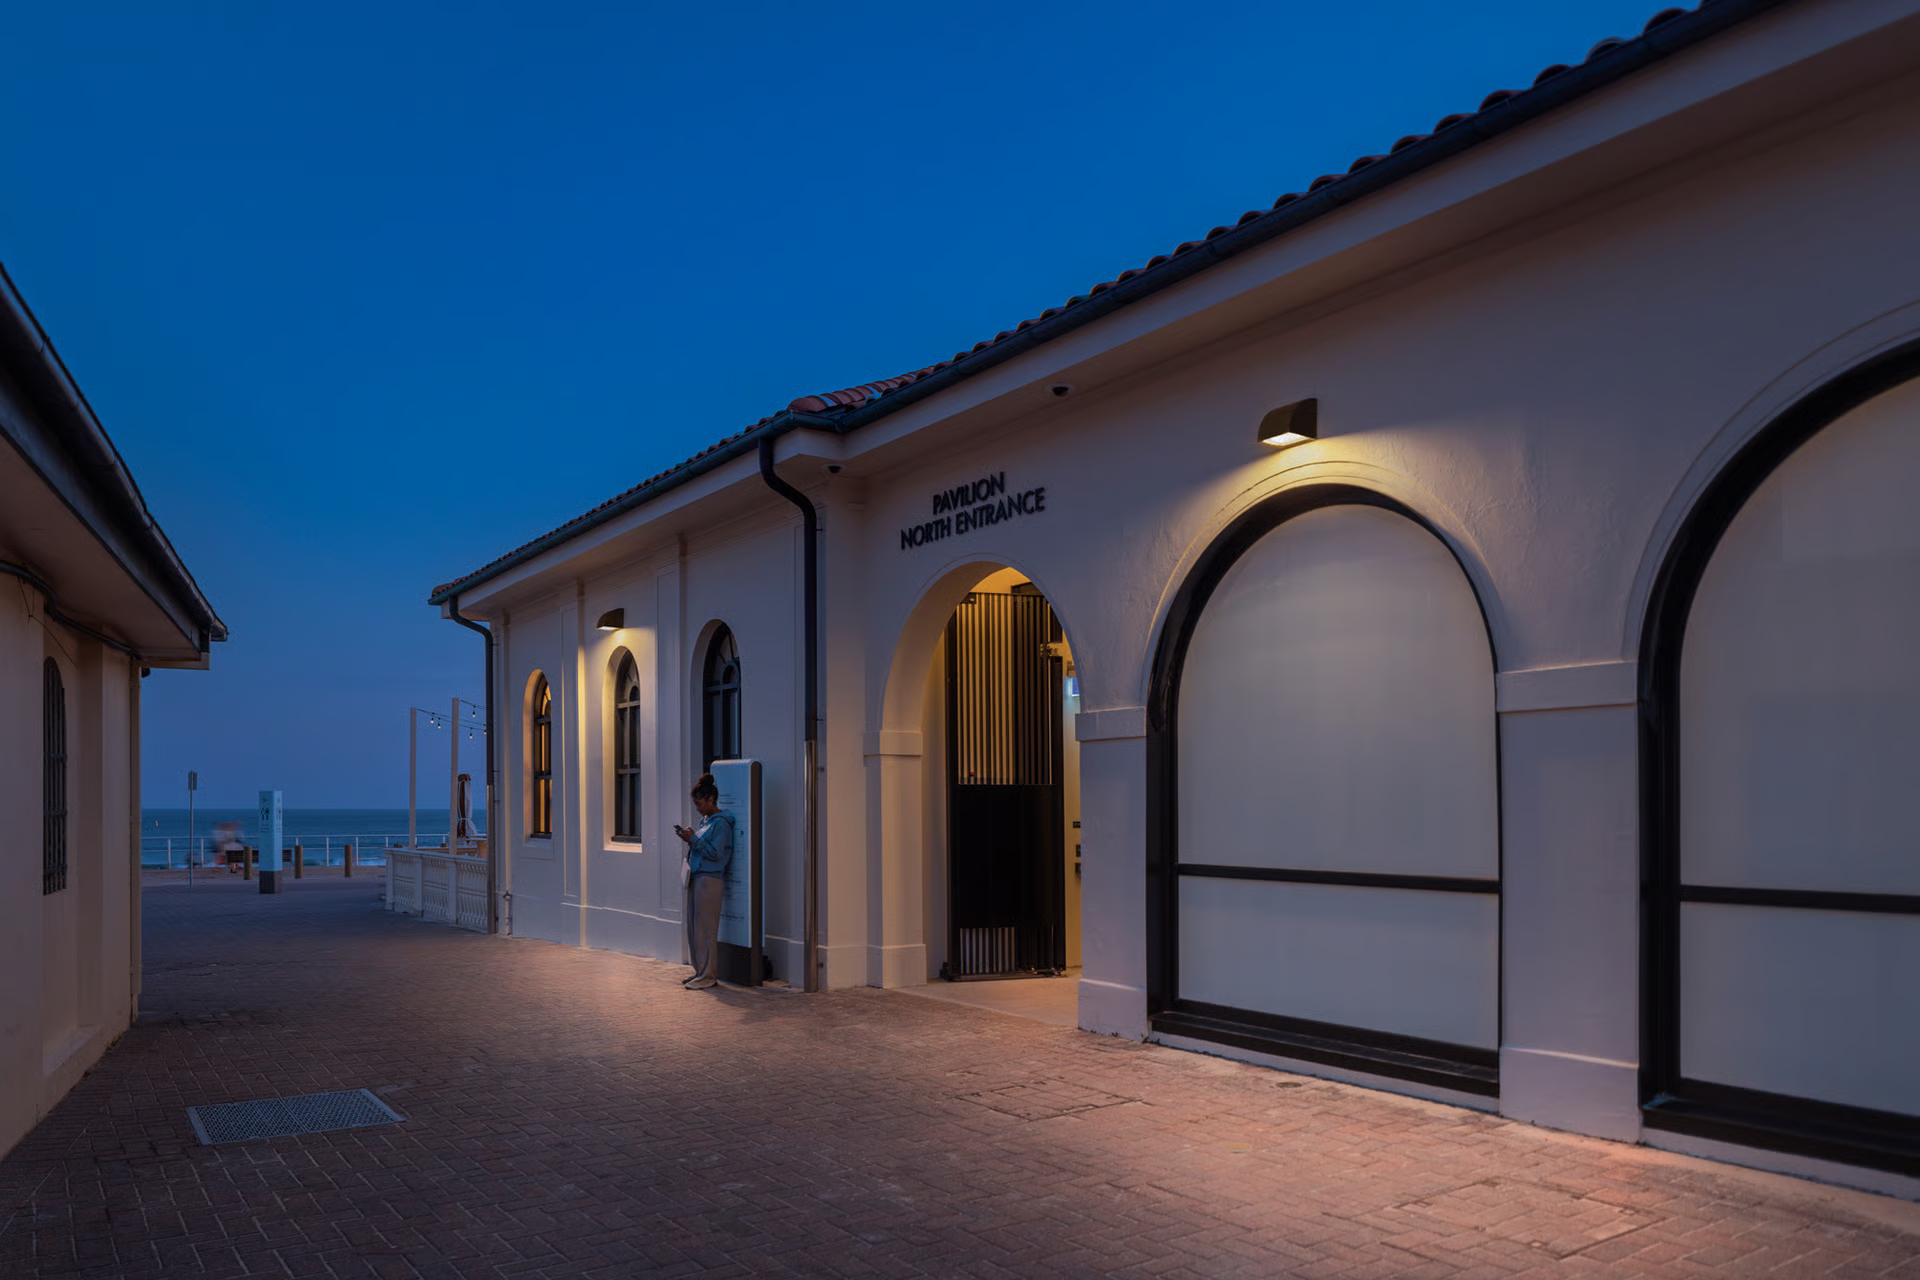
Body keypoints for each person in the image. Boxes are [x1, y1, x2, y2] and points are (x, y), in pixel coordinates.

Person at [673, 773, 735, 990]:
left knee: (706, 929)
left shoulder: (722, 824)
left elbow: (716, 854)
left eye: (699, 803)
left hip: (710, 880)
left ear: (710, 800)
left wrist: (694, 839)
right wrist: (692, 838)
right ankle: (700, 972)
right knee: (695, 928)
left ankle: (708, 975)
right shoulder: (705, 821)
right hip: (697, 877)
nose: (697, 808)